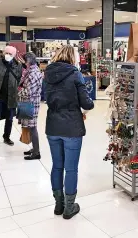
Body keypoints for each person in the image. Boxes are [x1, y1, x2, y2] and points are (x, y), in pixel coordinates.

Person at [44, 45, 94, 220]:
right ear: (72, 57)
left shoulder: (47, 74)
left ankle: (58, 204)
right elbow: (87, 104)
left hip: (52, 126)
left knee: (57, 166)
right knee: (71, 169)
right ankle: (69, 207)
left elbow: (45, 97)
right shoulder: (75, 74)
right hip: (72, 126)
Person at [0, 46, 22, 150]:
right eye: (6, 53)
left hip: (11, 97)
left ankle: (6, 137)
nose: (7, 55)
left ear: (14, 55)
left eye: (10, 54)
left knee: (9, 119)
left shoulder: (17, 65)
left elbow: (19, 79)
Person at [19, 52, 43, 160]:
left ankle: (36, 152)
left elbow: (28, 92)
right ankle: (34, 149)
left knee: (32, 127)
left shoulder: (33, 73)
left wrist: (17, 92)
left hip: (31, 102)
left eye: (24, 60)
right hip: (29, 102)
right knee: (30, 126)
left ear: (28, 61)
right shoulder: (31, 70)